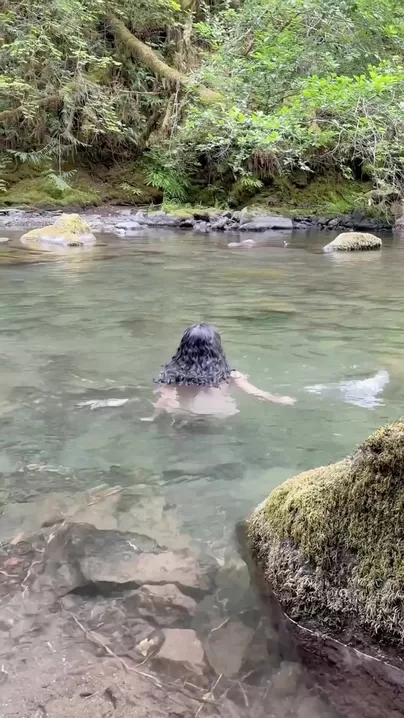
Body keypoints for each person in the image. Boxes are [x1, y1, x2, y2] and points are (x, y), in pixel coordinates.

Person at [146, 323, 295, 420]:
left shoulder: (172, 374)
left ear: (183, 348)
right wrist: (280, 400)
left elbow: (164, 399)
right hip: (217, 415)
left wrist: (154, 417)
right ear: (216, 348)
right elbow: (257, 394)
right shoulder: (230, 375)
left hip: (182, 414)